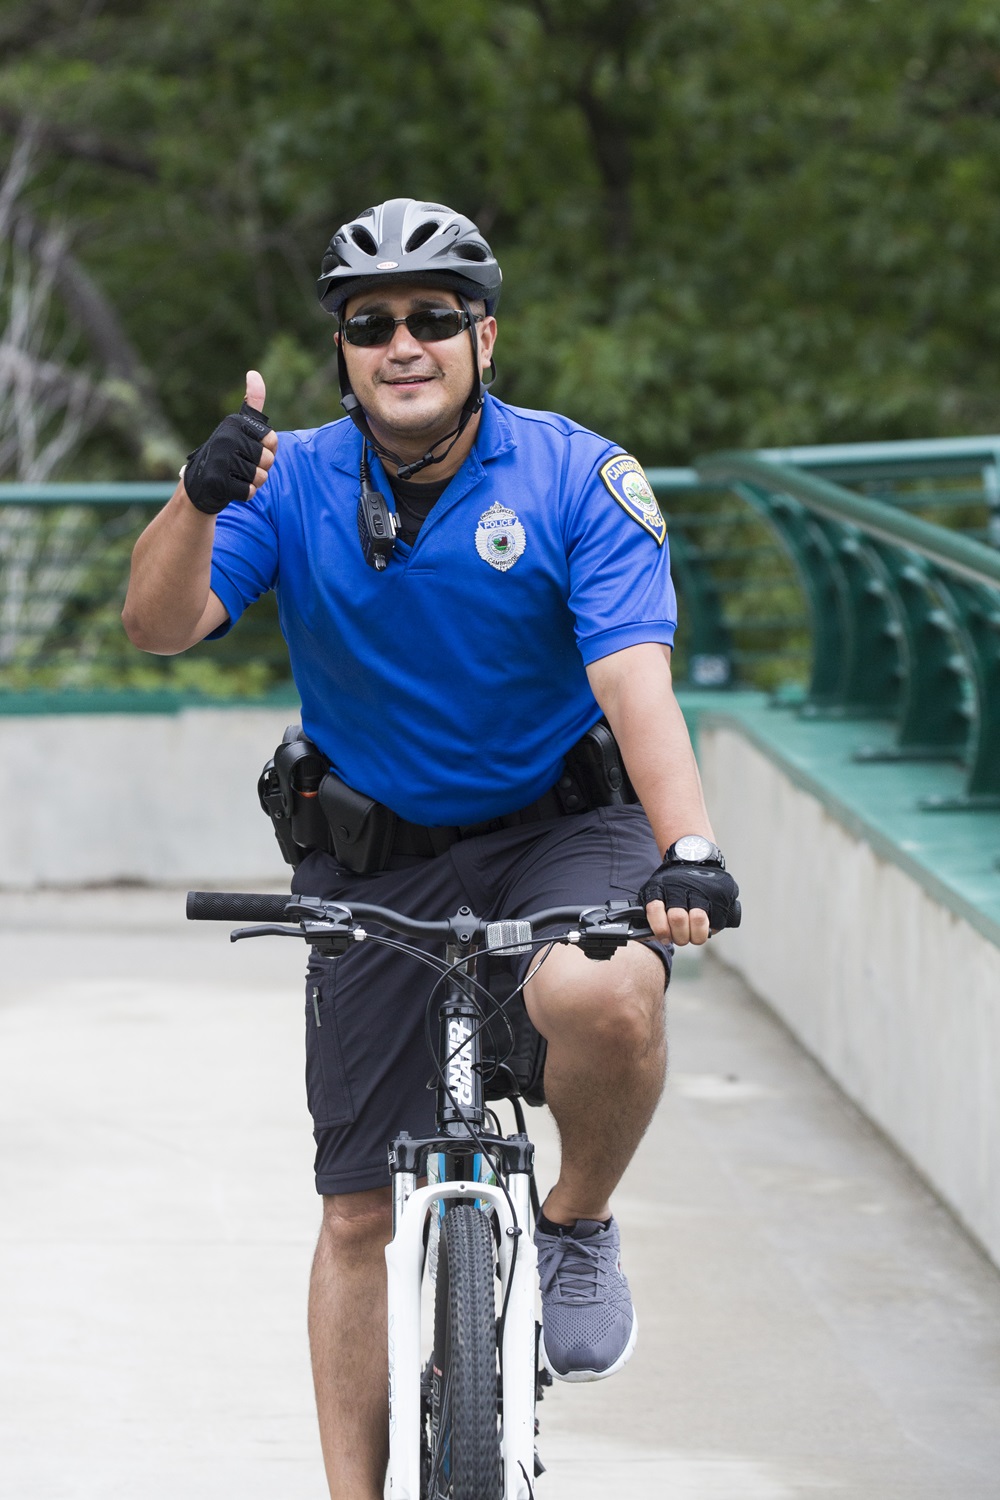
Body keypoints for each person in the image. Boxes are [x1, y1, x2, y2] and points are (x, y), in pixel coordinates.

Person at [122, 197, 740, 1500]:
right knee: (354, 1210)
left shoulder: (575, 475)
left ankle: (573, 1224)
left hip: (561, 832)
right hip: (373, 861)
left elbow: (636, 685)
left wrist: (686, 848)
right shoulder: (282, 479)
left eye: (432, 318)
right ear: (342, 350)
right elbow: (160, 624)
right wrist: (195, 495)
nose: (403, 342)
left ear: (483, 336)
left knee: (607, 992)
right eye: (371, 324)